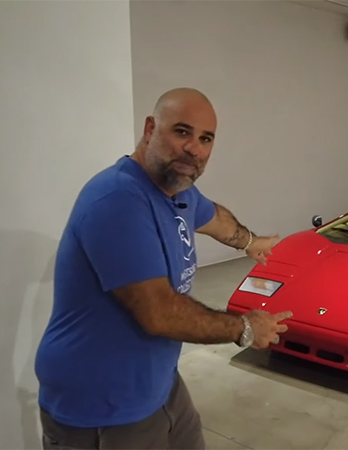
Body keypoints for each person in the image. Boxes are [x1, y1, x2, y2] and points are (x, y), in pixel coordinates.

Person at [33, 87, 292, 449]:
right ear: (151, 128)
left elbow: (214, 217)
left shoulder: (179, 190)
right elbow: (160, 313)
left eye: (205, 139)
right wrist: (244, 328)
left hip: (157, 384)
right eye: (182, 132)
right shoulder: (118, 200)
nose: (194, 148)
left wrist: (250, 242)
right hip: (100, 403)